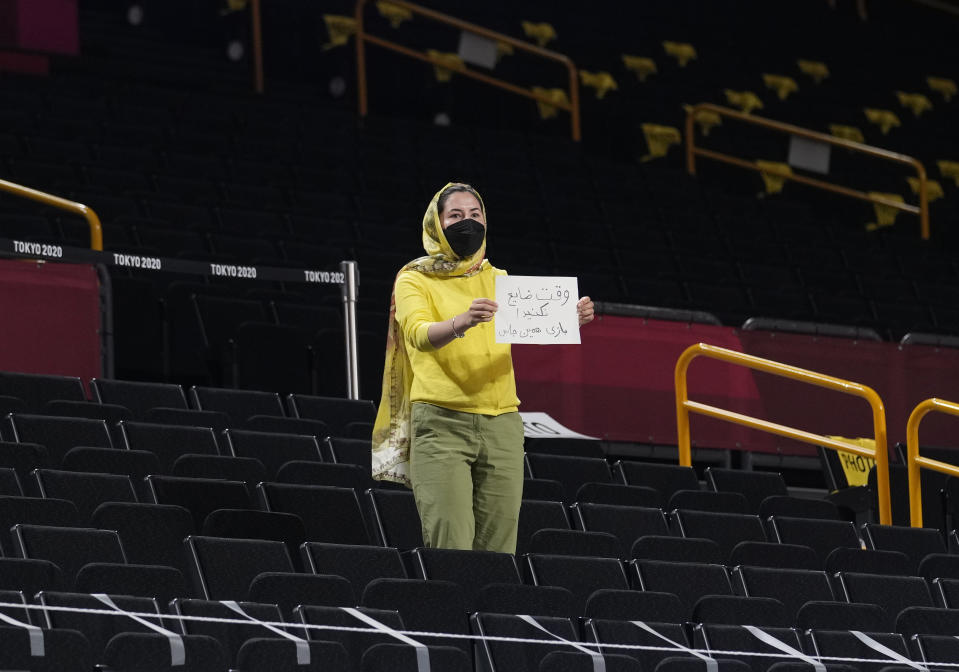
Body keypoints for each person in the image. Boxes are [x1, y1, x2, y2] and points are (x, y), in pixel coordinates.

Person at [371, 182, 594, 554]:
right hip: (442, 424)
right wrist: (463, 321)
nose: (467, 223)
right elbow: (419, 335)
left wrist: (570, 318)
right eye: (455, 215)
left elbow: (527, 325)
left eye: (475, 215)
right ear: (436, 224)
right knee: (452, 546)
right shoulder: (414, 278)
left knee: (499, 551)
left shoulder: (499, 279)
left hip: (503, 426)